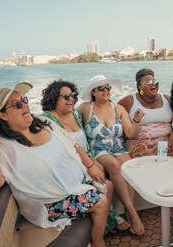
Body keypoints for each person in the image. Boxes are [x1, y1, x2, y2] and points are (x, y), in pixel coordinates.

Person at [0, 83, 114, 247]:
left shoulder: (44, 122)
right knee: (100, 202)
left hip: (74, 184)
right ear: (3, 115)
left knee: (107, 185)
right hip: (50, 201)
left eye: (24, 100)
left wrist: (91, 165)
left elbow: (73, 146)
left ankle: (103, 231)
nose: (25, 106)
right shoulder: (2, 147)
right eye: (17, 104)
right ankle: (99, 245)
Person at [40, 79, 130, 232]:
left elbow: (86, 140)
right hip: (70, 164)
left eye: (73, 95)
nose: (71, 100)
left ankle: (108, 223)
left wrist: (93, 161)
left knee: (114, 176)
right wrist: (91, 165)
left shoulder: (75, 113)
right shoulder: (47, 120)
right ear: (54, 98)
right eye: (66, 97)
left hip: (87, 159)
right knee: (106, 184)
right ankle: (106, 225)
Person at [78, 75, 146, 236]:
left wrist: (136, 121)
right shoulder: (85, 108)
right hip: (97, 149)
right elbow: (69, 122)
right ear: (93, 92)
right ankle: (133, 213)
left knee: (130, 168)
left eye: (108, 87)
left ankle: (129, 213)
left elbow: (130, 133)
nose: (106, 91)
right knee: (114, 165)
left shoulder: (118, 109)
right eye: (101, 88)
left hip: (118, 148)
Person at [118, 68, 173, 158]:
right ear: (140, 87)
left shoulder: (166, 98)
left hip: (166, 144)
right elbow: (113, 113)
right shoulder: (129, 101)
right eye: (148, 82)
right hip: (140, 145)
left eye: (155, 81)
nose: (153, 84)